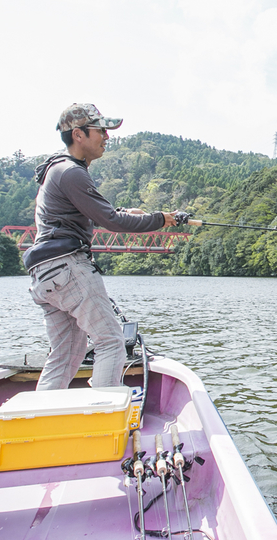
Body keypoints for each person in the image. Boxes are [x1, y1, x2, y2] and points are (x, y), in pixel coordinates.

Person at [24, 103, 186, 391]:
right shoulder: (71, 172)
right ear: (79, 134)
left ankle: (40, 418)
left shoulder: (58, 170)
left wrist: (127, 211)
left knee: (66, 353)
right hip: (67, 267)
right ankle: (103, 415)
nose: (107, 137)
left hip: (45, 273)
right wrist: (161, 219)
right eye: (101, 130)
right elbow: (111, 221)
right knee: (110, 340)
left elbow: (95, 213)